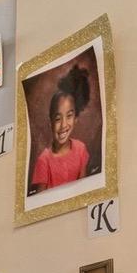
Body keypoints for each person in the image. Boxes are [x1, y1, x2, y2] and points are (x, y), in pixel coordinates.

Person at [29, 62, 95, 192]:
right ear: (50, 122)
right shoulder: (44, 160)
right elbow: (40, 204)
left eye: (69, 116)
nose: (64, 125)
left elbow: (83, 190)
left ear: (76, 118)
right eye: (58, 119)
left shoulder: (81, 149)